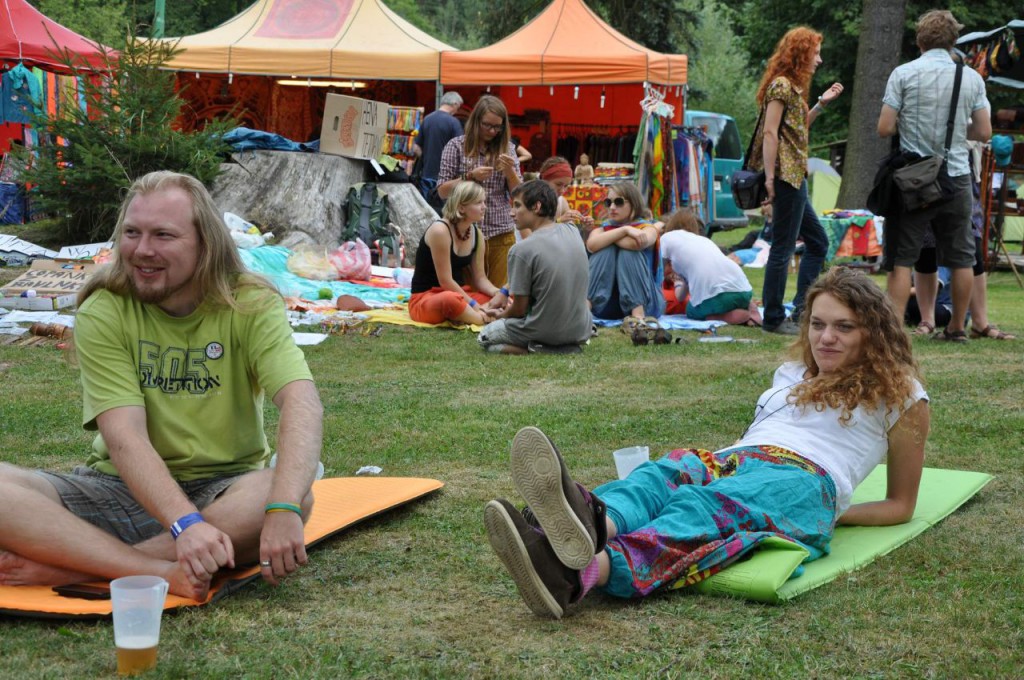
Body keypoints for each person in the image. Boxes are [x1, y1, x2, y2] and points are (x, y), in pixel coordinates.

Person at [484, 266, 929, 618]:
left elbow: (901, 505)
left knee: (703, 508)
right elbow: (760, 435)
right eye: (817, 324)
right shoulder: (791, 374)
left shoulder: (902, 393)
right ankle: (588, 524)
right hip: (742, 457)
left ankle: (578, 573)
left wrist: (831, 514)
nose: (825, 338)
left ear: (872, 332)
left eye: (844, 327)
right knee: (662, 475)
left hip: (805, 480)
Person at [0, 171, 323, 601]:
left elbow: (301, 401)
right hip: (121, 489)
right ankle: (153, 569)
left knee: (288, 496)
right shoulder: (104, 308)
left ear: (205, 243)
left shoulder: (249, 301)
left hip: (224, 491)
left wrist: (282, 508)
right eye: (132, 233)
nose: (142, 250)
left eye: (163, 235)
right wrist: (185, 525)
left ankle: (80, 563)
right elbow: (125, 438)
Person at [877, 9, 991, 342]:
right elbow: (984, 131)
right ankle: (956, 328)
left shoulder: (903, 73)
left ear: (920, 41)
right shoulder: (971, 78)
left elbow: (884, 127)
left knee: (902, 258)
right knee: (961, 258)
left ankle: (895, 331)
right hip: (956, 176)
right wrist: (953, 132)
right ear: (954, 41)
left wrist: (912, 125)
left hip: (914, 178)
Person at [748, 27, 842, 335]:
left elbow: (798, 129)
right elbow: (770, 132)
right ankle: (774, 317)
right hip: (785, 177)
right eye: (816, 53)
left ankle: (802, 310)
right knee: (783, 247)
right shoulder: (780, 85)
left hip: (794, 176)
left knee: (818, 242)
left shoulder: (791, 88)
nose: (819, 60)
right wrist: (770, 179)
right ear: (801, 54)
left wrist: (821, 104)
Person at [478, 180, 592, 355]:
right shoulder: (573, 231)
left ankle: (540, 349)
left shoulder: (521, 250)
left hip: (544, 330)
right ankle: (559, 347)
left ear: (537, 207)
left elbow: (519, 309)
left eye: (517, 206)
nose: (511, 212)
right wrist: (505, 291)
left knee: (485, 338)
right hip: (581, 329)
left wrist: (500, 316)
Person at [437, 95, 523, 287]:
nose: (492, 131)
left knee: (498, 294)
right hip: (463, 233)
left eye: (497, 127)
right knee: (467, 294)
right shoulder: (456, 146)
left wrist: (510, 172)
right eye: (487, 125)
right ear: (476, 121)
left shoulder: (508, 149)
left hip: (500, 233)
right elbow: (442, 191)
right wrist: (470, 176)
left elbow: (519, 195)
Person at [409, 181, 505, 326]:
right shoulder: (440, 231)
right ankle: (482, 319)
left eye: (484, 202)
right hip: (427, 297)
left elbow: (480, 279)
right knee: (449, 300)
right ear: (461, 207)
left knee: (503, 300)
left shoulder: (477, 234)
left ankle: (471, 315)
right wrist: (474, 305)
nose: (484, 207)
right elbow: (445, 281)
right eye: (478, 202)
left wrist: (498, 293)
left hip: (460, 295)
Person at [659, 208, 763, 326]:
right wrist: (679, 282)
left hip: (717, 297)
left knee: (691, 311)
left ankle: (721, 317)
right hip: (744, 290)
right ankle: (749, 307)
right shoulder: (704, 241)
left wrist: (674, 281)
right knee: (729, 298)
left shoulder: (666, 238)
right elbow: (682, 294)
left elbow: (658, 271)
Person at [586, 181, 665, 321]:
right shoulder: (604, 227)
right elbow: (591, 245)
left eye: (618, 202)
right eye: (608, 202)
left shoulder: (647, 228)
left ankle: (638, 316)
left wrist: (611, 236)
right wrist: (625, 230)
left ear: (633, 204)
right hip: (606, 305)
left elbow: (636, 244)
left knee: (627, 252)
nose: (612, 207)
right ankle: (584, 310)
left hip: (647, 304)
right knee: (604, 250)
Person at [414, 91, 464, 213]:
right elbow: (462, 149)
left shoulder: (427, 119)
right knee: (445, 212)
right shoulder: (454, 122)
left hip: (426, 175)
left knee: (427, 211)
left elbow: (416, 148)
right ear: (455, 104)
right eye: (458, 107)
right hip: (447, 178)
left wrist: (427, 158)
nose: (457, 110)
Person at [537, 156, 593, 237]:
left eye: (566, 186)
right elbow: (531, 238)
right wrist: (559, 221)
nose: (563, 191)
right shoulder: (531, 201)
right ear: (544, 180)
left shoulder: (561, 202)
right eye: (558, 184)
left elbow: (572, 236)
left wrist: (585, 228)